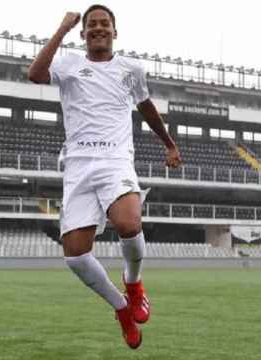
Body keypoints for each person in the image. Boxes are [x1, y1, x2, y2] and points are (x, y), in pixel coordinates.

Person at [28, 4, 182, 349]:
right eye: (91, 25)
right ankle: (122, 309)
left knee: (129, 223)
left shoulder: (131, 69)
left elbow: (146, 108)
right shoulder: (68, 63)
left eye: (105, 24)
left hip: (115, 159)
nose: (98, 28)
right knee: (76, 255)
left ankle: (134, 283)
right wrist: (62, 28)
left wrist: (169, 144)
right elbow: (35, 74)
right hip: (79, 165)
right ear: (83, 34)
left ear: (115, 32)